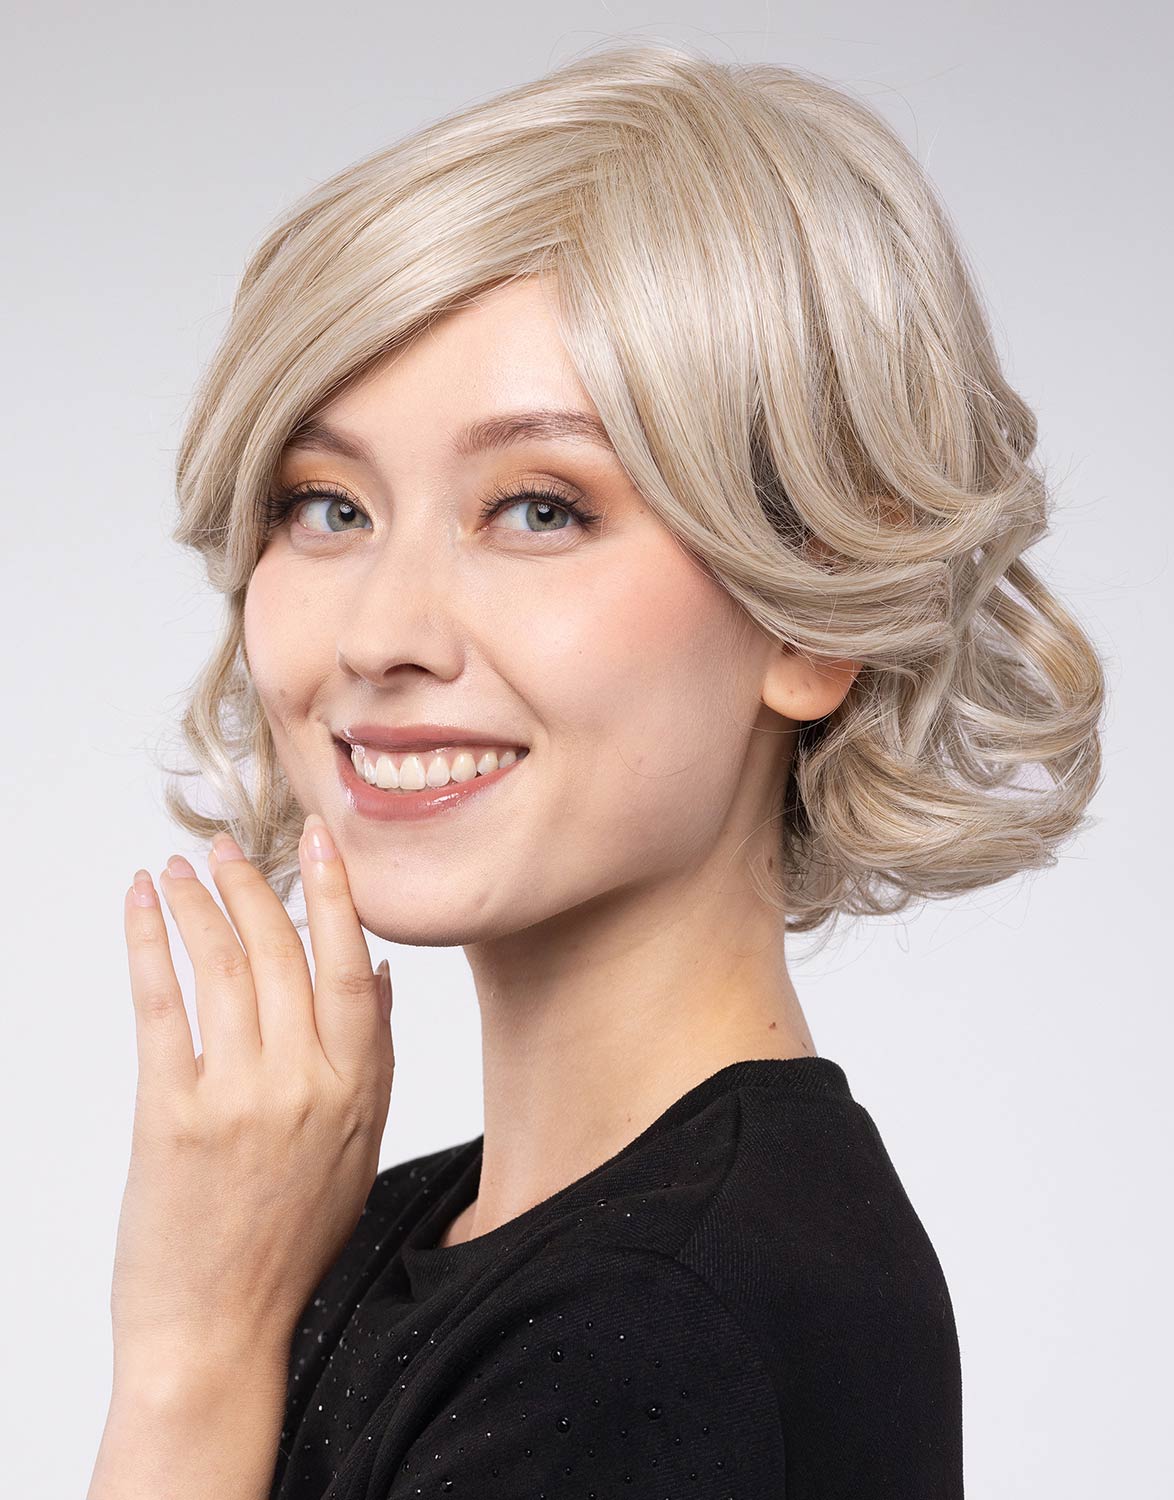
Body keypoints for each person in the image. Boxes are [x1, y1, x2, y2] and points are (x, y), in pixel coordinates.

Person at [90, 40, 1106, 1500]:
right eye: (329, 505)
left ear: (815, 606)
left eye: (538, 509)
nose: (380, 633)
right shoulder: (431, 1242)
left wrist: (187, 1361)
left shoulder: (649, 1329)